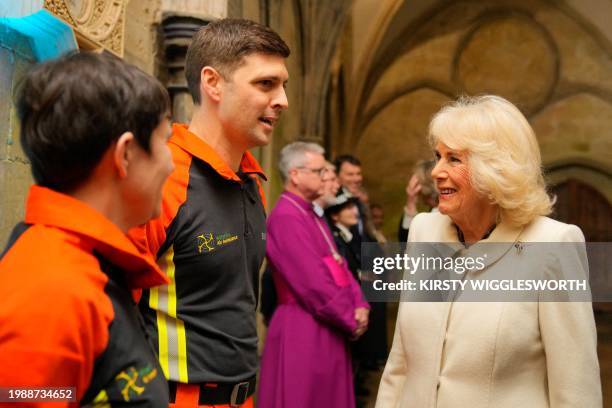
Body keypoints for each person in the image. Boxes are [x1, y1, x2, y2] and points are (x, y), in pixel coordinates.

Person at [376, 95, 602, 407]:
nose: (436, 171)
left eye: (453, 159)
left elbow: (576, 389)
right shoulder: (424, 231)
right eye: (437, 156)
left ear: (496, 169)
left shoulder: (553, 245)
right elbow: (400, 364)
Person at [128, 18, 289, 408]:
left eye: (284, 85)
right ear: (213, 83)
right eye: (266, 84)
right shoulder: (164, 177)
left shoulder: (251, 181)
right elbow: (109, 310)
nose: (283, 100)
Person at [0, 52, 174, 406]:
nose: (171, 165)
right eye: (164, 142)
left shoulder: (88, 266)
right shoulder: (54, 290)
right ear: (125, 154)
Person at [258, 142, 369, 408]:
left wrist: (360, 304)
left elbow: (339, 265)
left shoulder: (311, 214)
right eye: (319, 172)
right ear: (295, 175)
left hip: (328, 324)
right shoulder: (286, 216)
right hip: (303, 328)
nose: (325, 177)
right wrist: (350, 317)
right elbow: (313, 284)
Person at [260, 161, 340, 326]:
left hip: (327, 308)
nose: (336, 185)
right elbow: (307, 276)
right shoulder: (287, 216)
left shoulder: (315, 215)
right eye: (325, 176)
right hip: (303, 312)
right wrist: (347, 315)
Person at [397, 159, 438, 243]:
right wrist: (411, 203)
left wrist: (411, 203)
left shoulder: (438, 217)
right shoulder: (433, 211)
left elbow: (406, 243)